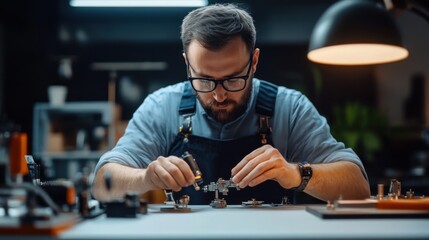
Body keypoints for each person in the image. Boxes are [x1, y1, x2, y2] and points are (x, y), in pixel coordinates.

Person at [92, 3, 370, 204]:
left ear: (255, 62)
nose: (219, 95)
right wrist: (145, 178)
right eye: (204, 80)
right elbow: (101, 184)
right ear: (187, 64)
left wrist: (296, 173)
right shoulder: (161, 107)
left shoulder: (290, 109)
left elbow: (358, 186)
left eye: (233, 79)